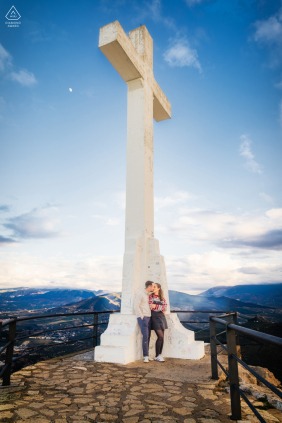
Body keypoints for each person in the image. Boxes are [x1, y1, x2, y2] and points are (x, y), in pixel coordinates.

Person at [134, 280, 154, 363]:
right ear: (149, 286)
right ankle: (145, 356)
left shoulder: (147, 294)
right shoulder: (140, 294)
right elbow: (136, 305)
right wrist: (141, 316)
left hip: (149, 317)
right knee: (145, 336)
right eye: (152, 286)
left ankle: (147, 355)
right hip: (143, 318)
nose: (153, 288)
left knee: (148, 336)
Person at [149, 283, 168, 362]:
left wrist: (156, 305)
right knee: (160, 336)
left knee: (162, 337)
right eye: (152, 287)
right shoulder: (150, 296)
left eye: (155, 287)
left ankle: (159, 355)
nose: (153, 288)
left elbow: (165, 307)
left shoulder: (162, 297)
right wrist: (160, 306)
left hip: (161, 317)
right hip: (154, 317)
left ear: (158, 288)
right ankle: (157, 356)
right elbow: (151, 306)